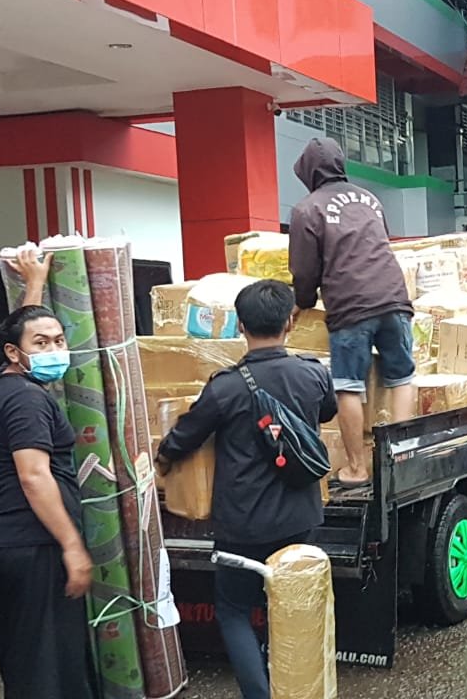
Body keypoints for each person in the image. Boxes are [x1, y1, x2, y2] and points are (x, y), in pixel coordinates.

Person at [156, 280, 336, 699]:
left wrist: (162, 460)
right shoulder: (313, 374)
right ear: (291, 321)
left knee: (235, 610)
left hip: (243, 526)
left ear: (240, 325)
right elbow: (326, 412)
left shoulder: (226, 386)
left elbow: (185, 437)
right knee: (293, 608)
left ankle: (259, 694)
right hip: (300, 518)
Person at [0, 251, 96, 699]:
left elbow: (21, 329)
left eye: (60, 340)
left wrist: (35, 284)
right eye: (42, 344)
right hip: (31, 546)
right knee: (49, 673)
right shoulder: (26, 400)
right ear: (15, 351)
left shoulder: (5, 382)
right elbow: (34, 476)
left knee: (28, 664)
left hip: (1, 542)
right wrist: (72, 546)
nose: (55, 350)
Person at [288, 137, 415, 487]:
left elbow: (304, 270)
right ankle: (401, 459)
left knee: (348, 386)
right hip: (394, 297)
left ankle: (357, 469)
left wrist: (302, 302)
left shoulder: (306, 209)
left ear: (307, 172)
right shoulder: (370, 199)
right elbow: (380, 244)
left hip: (350, 304)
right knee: (401, 376)